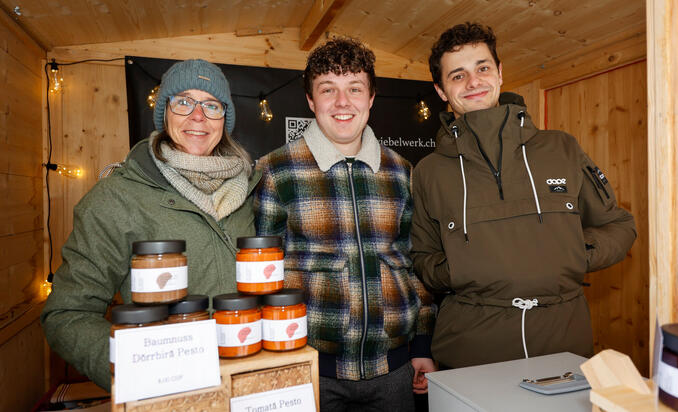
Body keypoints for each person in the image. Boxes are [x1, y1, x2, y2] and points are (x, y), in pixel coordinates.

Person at [410, 22, 637, 369]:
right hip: (470, 350)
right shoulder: (429, 171)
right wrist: (460, 269)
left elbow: (619, 225)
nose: (473, 82)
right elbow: (423, 256)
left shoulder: (561, 147)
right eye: (457, 76)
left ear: (500, 73)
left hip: (563, 344)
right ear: (441, 90)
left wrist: (575, 254)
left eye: (482, 68)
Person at [41, 59, 260, 390]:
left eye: (212, 105)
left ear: (224, 119)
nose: (198, 116)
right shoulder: (118, 197)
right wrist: (139, 371)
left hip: (249, 383)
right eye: (184, 101)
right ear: (164, 112)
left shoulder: (248, 191)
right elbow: (67, 314)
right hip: (168, 393)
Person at [254, 37, 436, 411]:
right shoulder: (275, 170)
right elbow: (260, 275)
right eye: (328, 89)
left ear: (370, 98)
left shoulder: (402, 171)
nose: (342, 102)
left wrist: (421, 345)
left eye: (354, 89)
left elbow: (414, 264)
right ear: (310, 100)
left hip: (394, 369)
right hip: (309, 369)